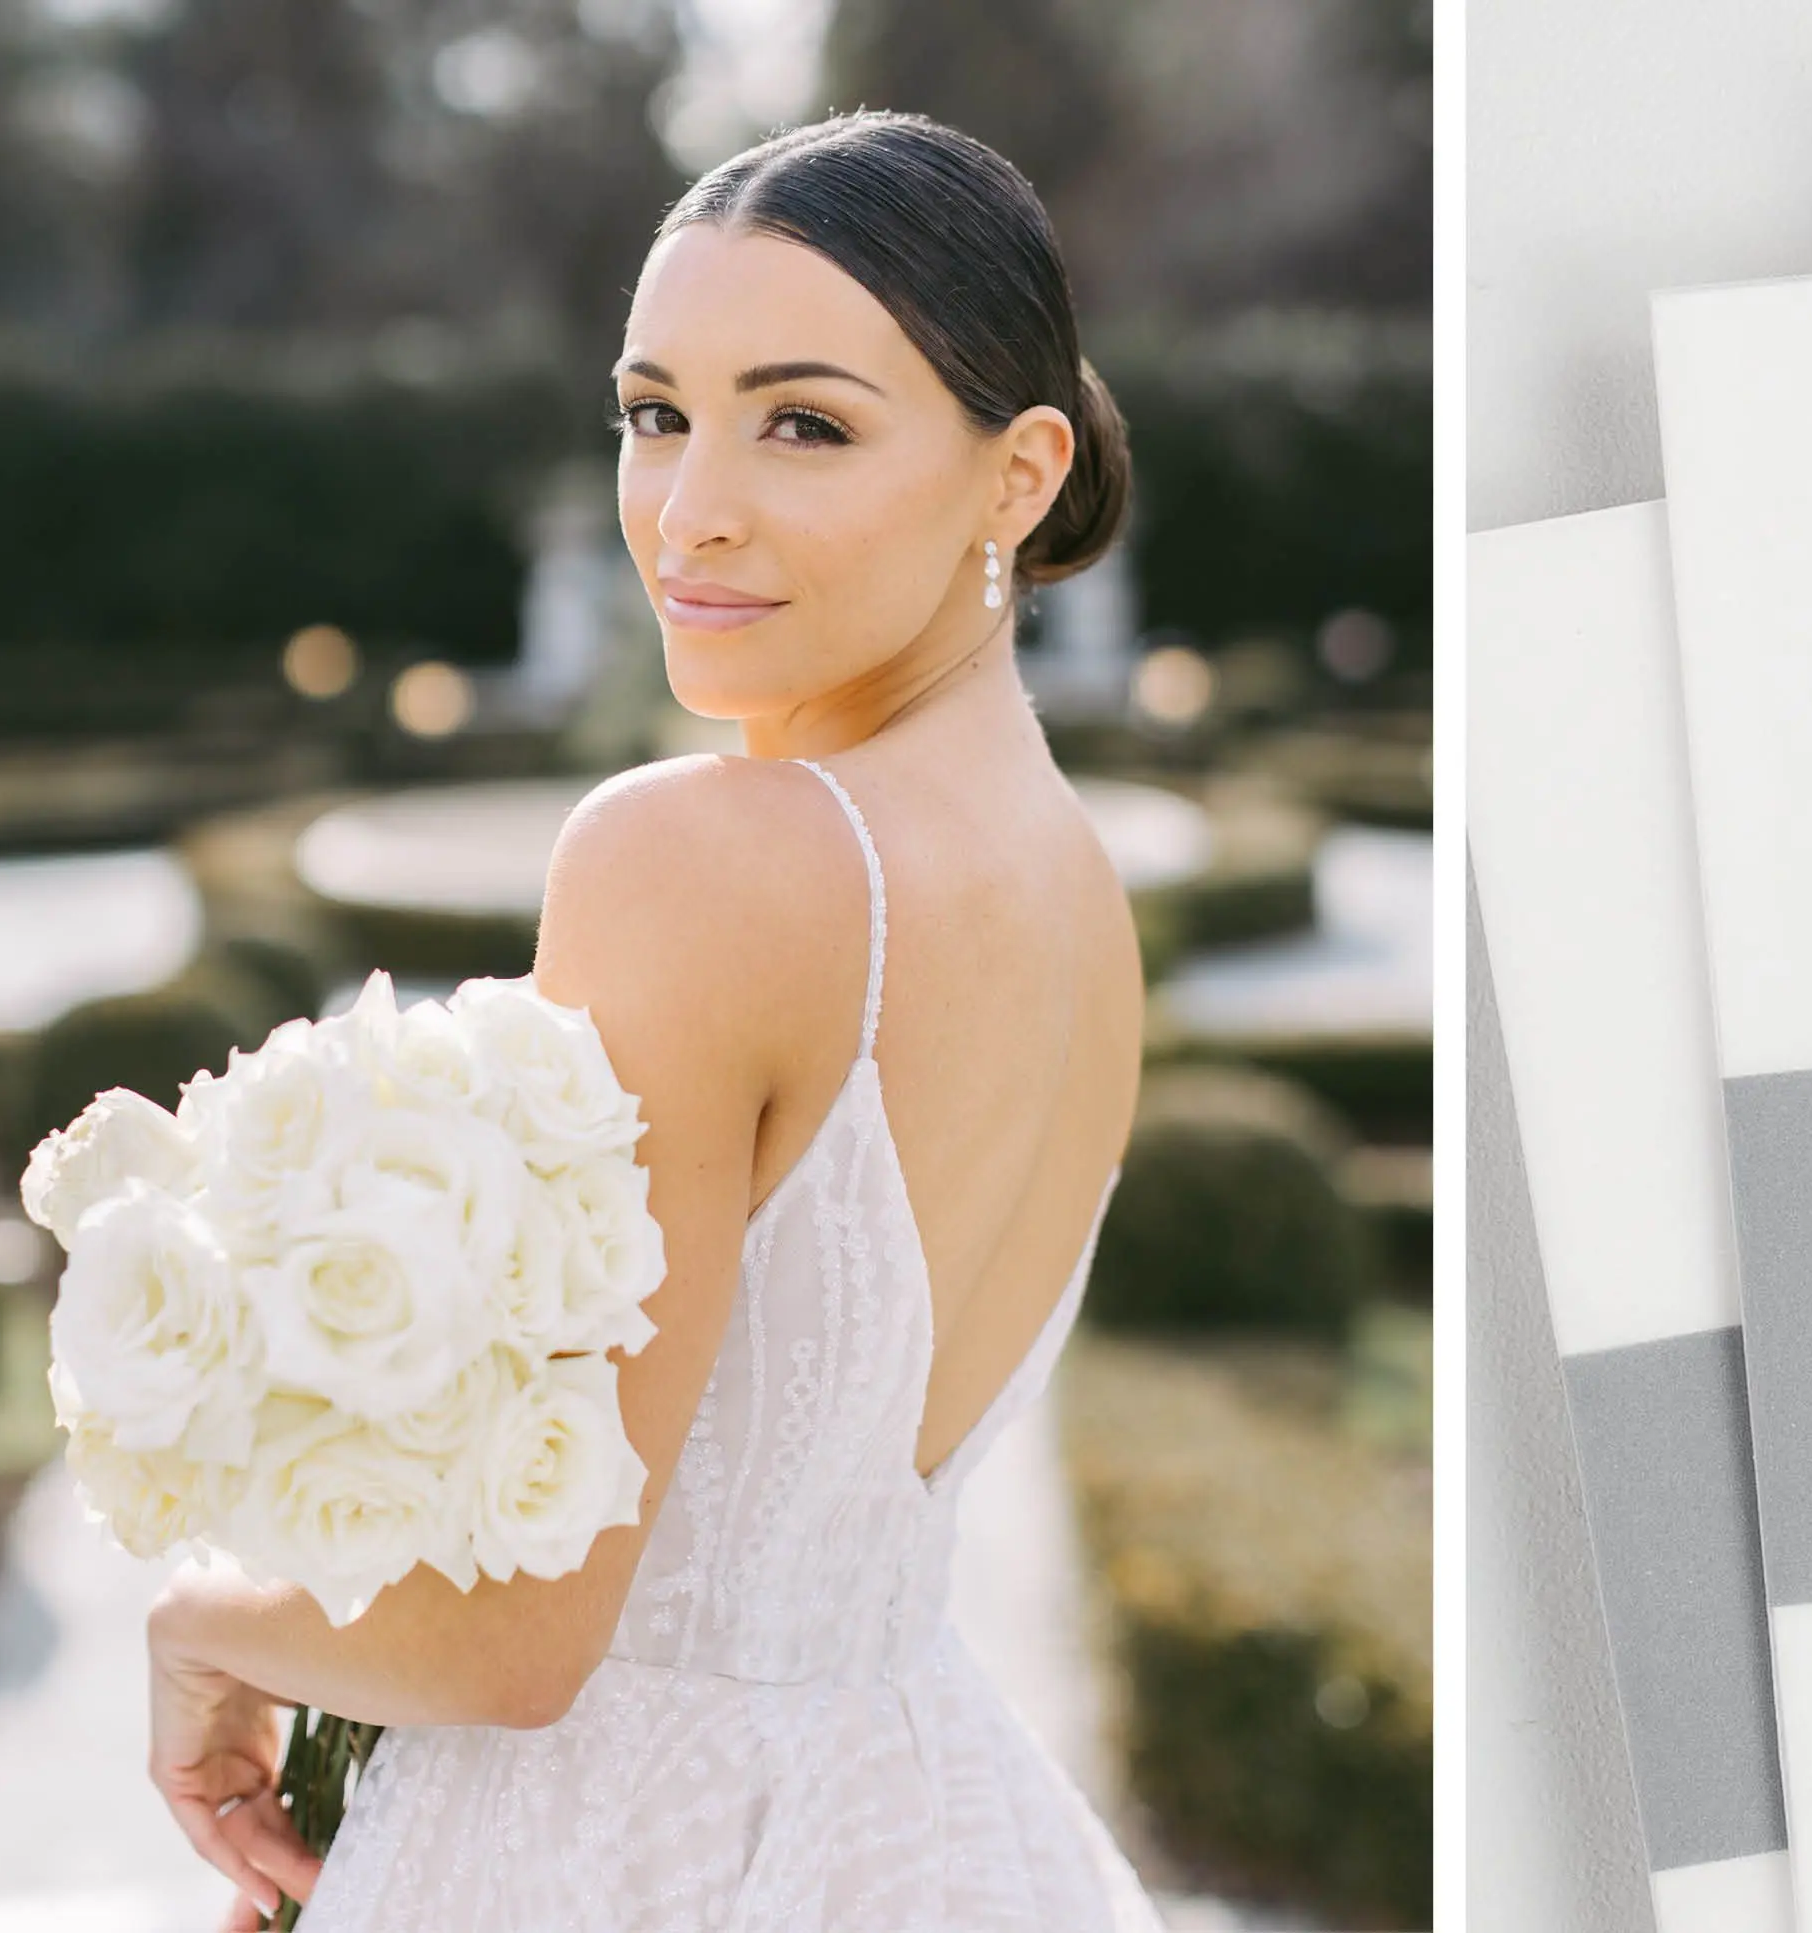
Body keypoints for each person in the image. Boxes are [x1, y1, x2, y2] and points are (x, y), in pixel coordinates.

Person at [135, 109, 1162, 1930]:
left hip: (622, 1853)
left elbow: (527, 1638)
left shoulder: (709, 856)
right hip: (926, 1818)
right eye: (656, 411)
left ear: (1019, 475)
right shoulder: (1084, 888)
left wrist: (204, 1619)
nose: (691, 509)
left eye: (807, 424)